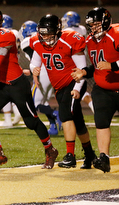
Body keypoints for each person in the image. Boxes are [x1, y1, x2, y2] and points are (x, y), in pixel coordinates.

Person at [0, 6, 58, 169]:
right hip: (3, 85)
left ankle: (50, 150)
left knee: (31, 122)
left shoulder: (6, 36)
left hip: (18, 85)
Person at [71, 7, 119, 172]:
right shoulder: (91, 40)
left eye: (96, 24)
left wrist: (112, 66)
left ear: (106, 21)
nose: (93, 28)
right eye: (91, 25)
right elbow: (97, 66)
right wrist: (84, 72)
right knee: (101, 122)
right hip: (102, 90)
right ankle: (104, 158)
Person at [29, 14, 97, 169]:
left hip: (74, 83)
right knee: (78, 120)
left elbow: (80, 71)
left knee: (65, 114)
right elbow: (34, 63)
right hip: (59, 86)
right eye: (43, 33)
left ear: (58, 30)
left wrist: (77, 89)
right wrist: (35, 69)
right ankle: (89, 154)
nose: (45, 36)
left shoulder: (69, 40)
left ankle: (70, 156)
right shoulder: (37, 41)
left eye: (49, 33)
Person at [20, 20, 61, 135]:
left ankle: (56, 114)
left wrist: (34, 71)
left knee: (35, 103)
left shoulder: (29, 41)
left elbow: (38, 58)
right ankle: (53, 126)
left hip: (43, 71)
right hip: (53, 71)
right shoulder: (44, 39)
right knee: (44, 101)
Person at [61, 11, 94, 113]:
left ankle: (69, 116)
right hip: (81, 61)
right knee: (80, 90)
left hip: (71, 63)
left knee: (71, 91)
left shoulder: (67, 31)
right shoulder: (82, 29)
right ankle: (94, 108)